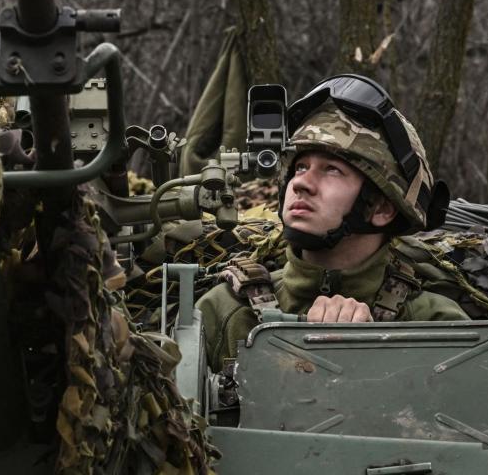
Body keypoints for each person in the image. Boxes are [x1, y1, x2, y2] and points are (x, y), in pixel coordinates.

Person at [197, 74, 469, 370]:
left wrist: (371, 352)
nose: (302, 184)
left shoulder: (435, 325)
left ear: (382, 208)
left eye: (332, 170)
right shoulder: (225, 311)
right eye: (300, 167)